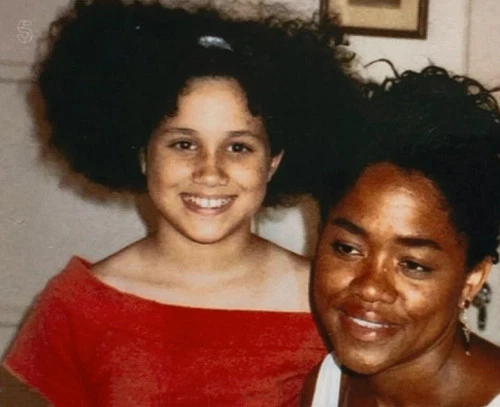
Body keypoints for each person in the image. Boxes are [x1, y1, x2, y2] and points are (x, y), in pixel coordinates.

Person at [1, 1, 363, 406]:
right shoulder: (81, 306)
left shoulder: (328, 303)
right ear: (143, 155)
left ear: (273, 163)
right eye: (184, 144)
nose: (210, 172)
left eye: (238, 147)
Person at [302, 66, 500, 406]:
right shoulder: (330, 381)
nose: (370, 287)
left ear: (472, 279)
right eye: (348, 248)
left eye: (413, 265)